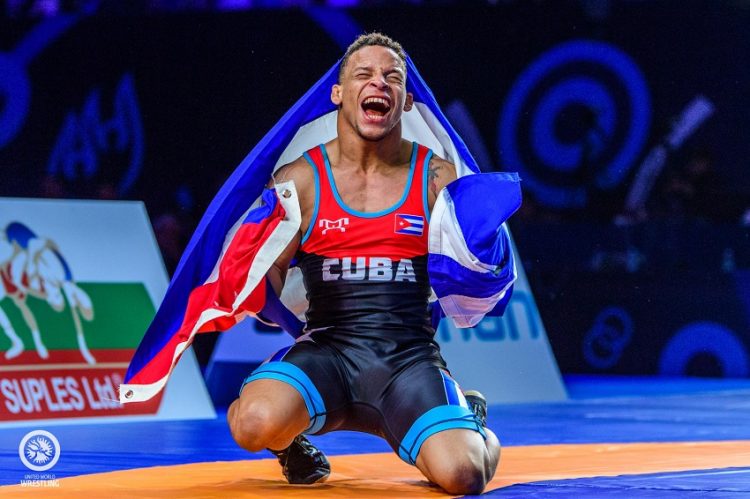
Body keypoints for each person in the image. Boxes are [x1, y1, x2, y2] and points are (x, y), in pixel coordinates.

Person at [227, 33, 501, 495]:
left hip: (408, 361)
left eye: (393, 77)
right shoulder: (300, 179)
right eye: (364, 74)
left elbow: (476, 277)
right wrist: (251, 286)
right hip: (327, 353)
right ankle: (289, 444)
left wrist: (484, 250)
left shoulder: (438, 179)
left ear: (407, 101)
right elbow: (267, 276)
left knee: (463, 476)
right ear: (338, 94)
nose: (380, 82)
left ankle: (468, 425)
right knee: (252, 422)